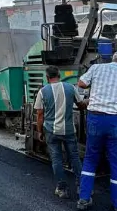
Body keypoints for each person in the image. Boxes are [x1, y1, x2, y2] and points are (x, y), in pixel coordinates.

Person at [76, 49, 117, 211]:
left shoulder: (97, 68)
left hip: (95, 118)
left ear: (113, 58)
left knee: (90, 159)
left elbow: (81, 84)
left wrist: (93, 95)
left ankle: (84, 198)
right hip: (114, 121)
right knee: (116, 162)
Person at [34, 65, 85, 199]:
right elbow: (81, 105)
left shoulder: (42, 91)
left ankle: (62, 189)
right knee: (74, 157)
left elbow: (39, 114)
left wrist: (39, 132)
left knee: (56, 159)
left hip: (51, 131)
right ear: (59, 75)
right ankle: (82, 187)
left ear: (47, 77)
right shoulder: (70, 87)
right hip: (68, 130)